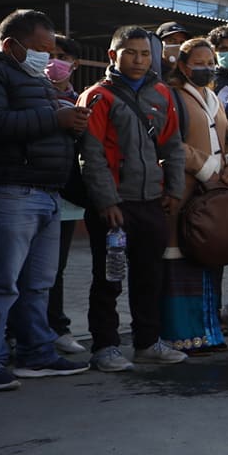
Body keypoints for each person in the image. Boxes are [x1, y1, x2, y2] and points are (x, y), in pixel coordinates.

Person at [0, 11, 92, 389]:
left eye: (51, 51)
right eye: (39, 50)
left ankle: (37, 352)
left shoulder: (33, 77)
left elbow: (40, 117)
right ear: (11, 45)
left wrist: (68, 119)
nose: (47, 59)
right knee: (0, 283)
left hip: (45, 192)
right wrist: (57, 119)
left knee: (37, 284)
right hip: (7, 190)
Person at [78, 26, 188, 372]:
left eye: (144, 53)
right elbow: (91, 154)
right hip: (114, 206)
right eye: (130, 53)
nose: (139, 60)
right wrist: (107, 202)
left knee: (149, 276)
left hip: (152, 202)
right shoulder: (98, 96)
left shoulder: (162, 94)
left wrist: (173, 190)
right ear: (113, 56)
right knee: (108, 278)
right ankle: (105, 346)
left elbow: (173, 147)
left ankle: (147, 343)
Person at [157, 38, 228, 354]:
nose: (205, 68)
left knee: (210, 256)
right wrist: (206, 167)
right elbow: (170, 143)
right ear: (182, 64)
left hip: (215, 194)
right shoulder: (172, 97)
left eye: (210, 62)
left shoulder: (215, 98)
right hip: (184, 191)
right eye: (198, 62)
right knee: (181, 260)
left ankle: (210, 332)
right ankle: (182, 336)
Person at [45, 34, 87, 353]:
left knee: (56, 265)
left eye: (61, 56)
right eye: (49, 54)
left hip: (70, 193)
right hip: (38, 187)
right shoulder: (33, 94)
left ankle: (56, 325)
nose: (54, 62)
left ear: (75, 64)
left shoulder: (83, 100)